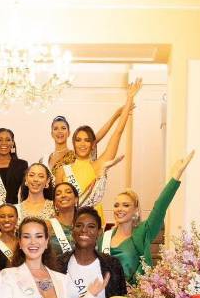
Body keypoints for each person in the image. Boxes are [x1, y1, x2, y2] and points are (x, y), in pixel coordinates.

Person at [101, 151, 193, 284]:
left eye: (126, 205)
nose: (119, 209)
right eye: (116, 205)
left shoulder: (143, 232)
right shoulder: (104, 238)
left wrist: (175, 176)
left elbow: (160, 207)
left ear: (136, 210)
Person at [53, 81, 140, 209]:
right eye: (78, 140)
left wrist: (129, 99)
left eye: (87, 140)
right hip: (70, 223)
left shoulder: (99, 165)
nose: (82, 144)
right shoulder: (62, 170)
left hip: (94, 221)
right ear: (73, 143)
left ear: (93, 145)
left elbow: (118, 132)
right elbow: (57, 205)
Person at [58, 206, 127, 298]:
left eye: (91, 227)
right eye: (79, 226)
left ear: (99, 232)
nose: (84, 230)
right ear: (72, 229)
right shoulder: (59, 265)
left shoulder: (111, 265)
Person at [42, 111, 122, 174]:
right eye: (55, 129)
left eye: (63, 128)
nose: (59, 131)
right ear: (52, 133)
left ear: (69, 133)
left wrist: (116, 115)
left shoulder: (75, 155)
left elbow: (95, 139)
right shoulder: (44, 160)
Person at [48, 180, 79, 259]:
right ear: (54, 203)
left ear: (76, 199)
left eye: (68, 192)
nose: (63, 195)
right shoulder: (47, 225)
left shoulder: (86, 225)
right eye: (58, 194)